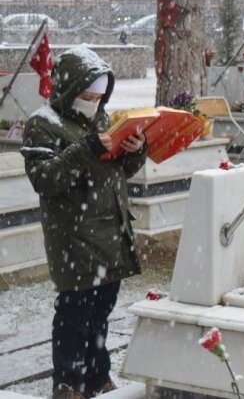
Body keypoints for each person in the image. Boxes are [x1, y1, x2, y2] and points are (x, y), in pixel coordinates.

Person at [21, 46, 148, 399]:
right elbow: (44, 179)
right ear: (68, 89)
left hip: (111, 231)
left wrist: (136, 150)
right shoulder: (43, 124)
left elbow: (118, 171)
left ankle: (96, 378)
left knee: (101, 313)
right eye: (87, 95)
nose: (93, 102)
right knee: (74, 315)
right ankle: (67, 384)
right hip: (74, 236)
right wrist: (86, 149)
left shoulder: (103, 119)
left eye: (99, 96)